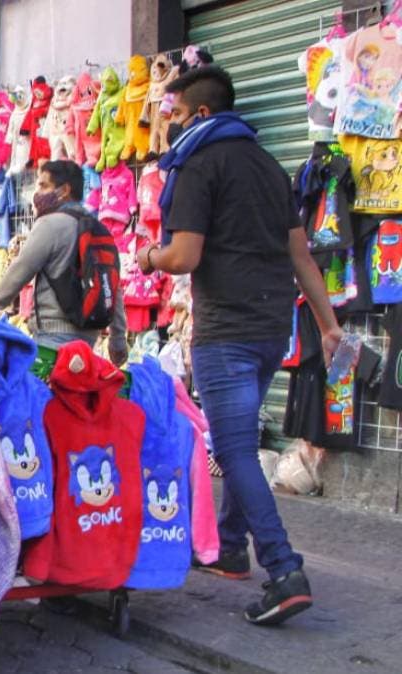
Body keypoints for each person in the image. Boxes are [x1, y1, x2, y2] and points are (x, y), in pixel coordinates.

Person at [135, 65, 343, 626]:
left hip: (226, 331)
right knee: (241, 440)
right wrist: (327, 325)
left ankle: (283, 569)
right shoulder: (271, 168)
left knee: (229, 449)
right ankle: (229, 549)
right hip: (273, 328)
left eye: (174, 115)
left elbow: (184, 257)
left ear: (201, 114)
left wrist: (148, 257)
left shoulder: (200, 163)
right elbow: (302, 257)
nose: (170, 126)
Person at [0, 160, 128, 365]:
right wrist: (117, 340)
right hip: (89, 341)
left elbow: (20, 270)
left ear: (64, 190)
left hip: (53, 340)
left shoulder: (50, 224)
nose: (38, 193)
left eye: (44, 186)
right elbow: (112, 287)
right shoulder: (99, 229)